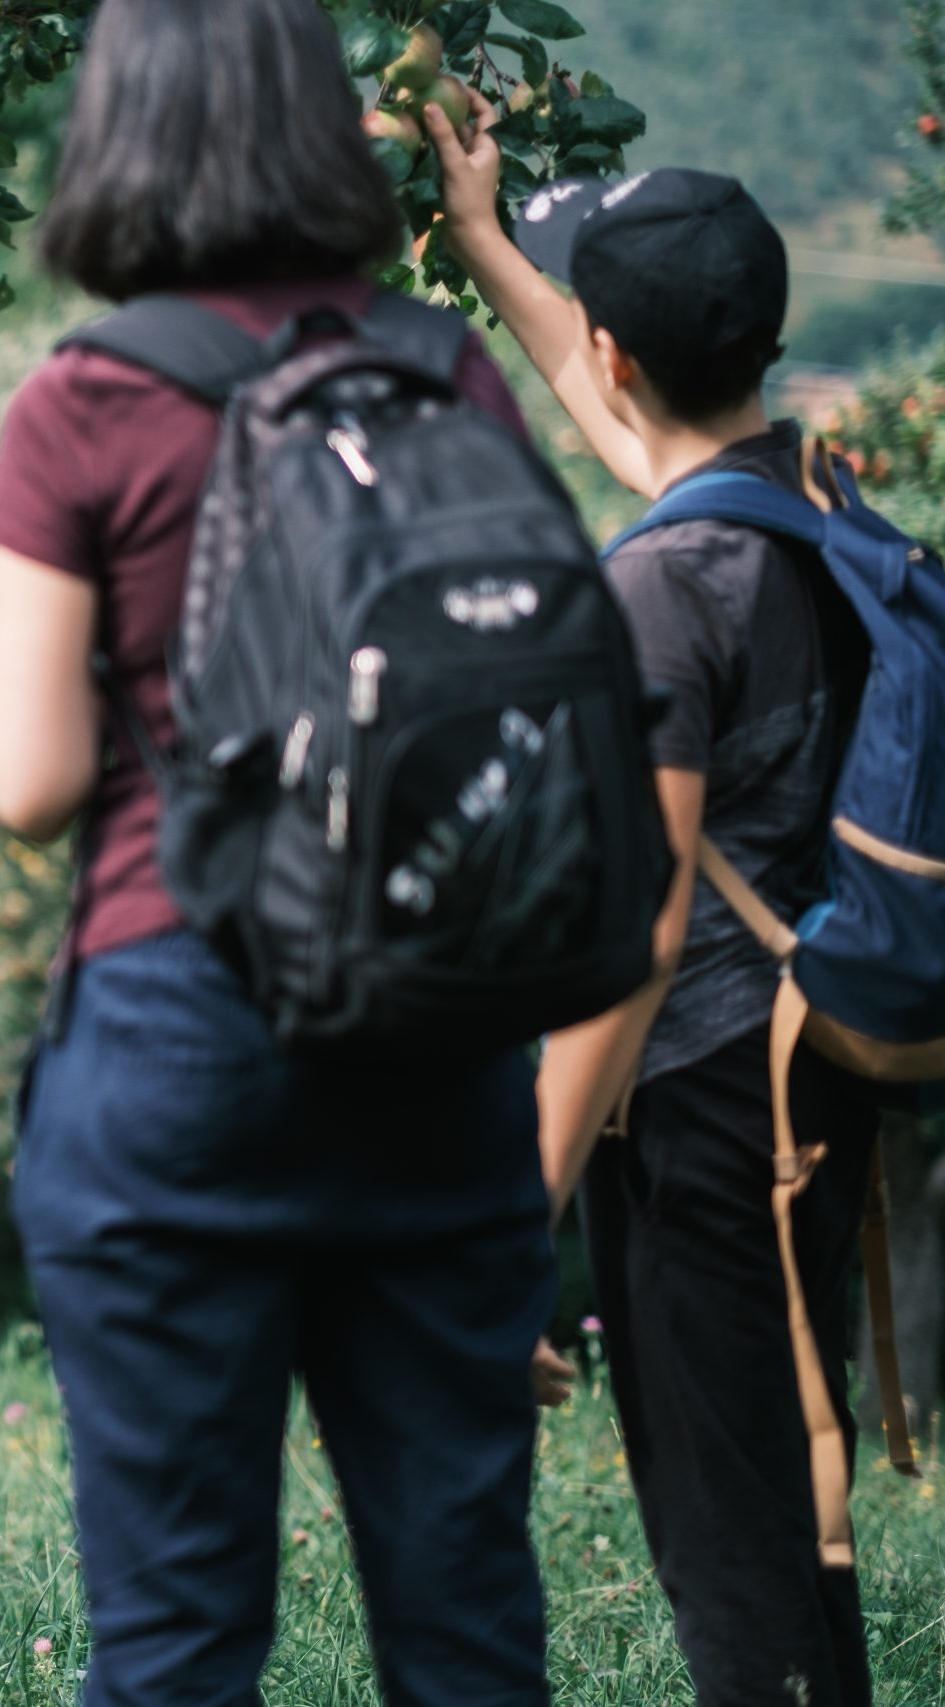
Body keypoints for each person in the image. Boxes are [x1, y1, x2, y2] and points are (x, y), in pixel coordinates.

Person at [0, 2, 559, 1702]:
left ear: (117, 131)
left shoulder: (84, 399)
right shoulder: (436, 367)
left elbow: (30, 779)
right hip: (441, 1037)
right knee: (465, 1623)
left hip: (178, 1037)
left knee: (175, 1637)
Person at [431, 104, 881, 1707]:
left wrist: (513, 1227)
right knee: (793, 1500)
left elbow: (638, 926)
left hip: (699, 1110)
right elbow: (617, 413)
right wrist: (486, 239)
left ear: (625, 352)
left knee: (731, 1542)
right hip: (810, 1070)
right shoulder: (802, 505)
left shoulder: (657, 590)